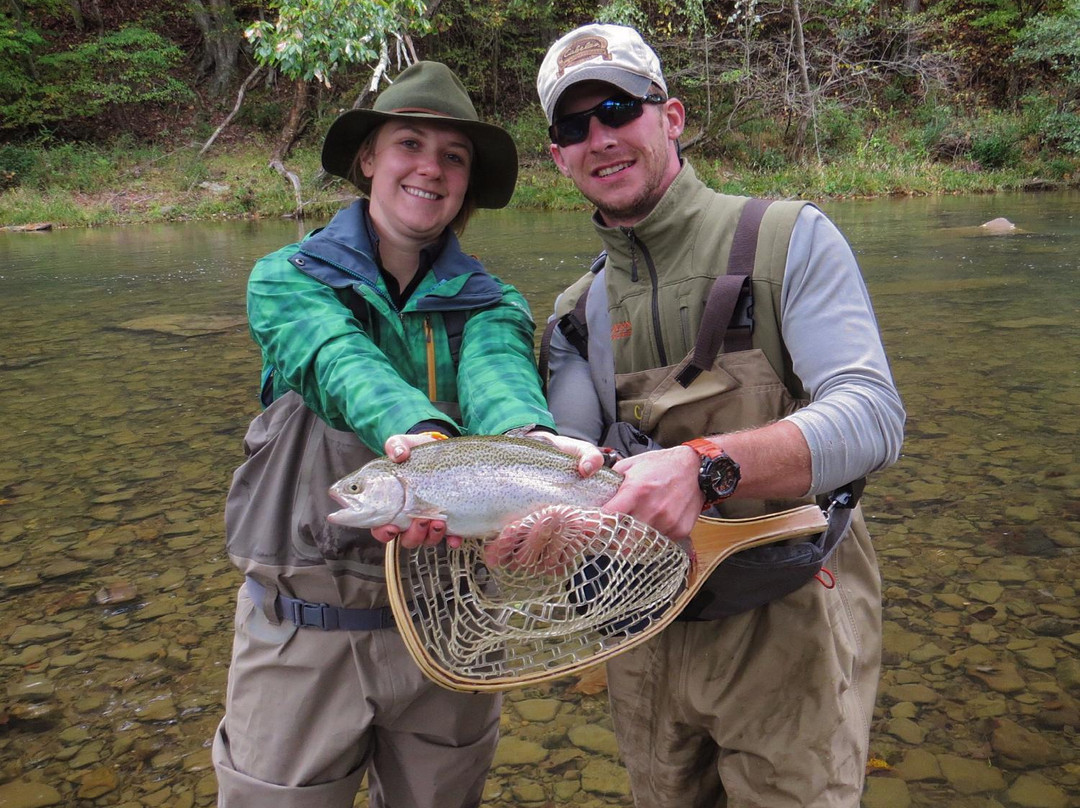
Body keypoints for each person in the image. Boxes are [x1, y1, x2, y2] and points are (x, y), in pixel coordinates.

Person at [536, 24, 906, 808]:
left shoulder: (786, 239)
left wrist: (703, 466)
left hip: (790, 622)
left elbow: (874, 418)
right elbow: (568, 463)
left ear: (670, 117)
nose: (601, 137)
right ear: (558, 157)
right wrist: (526, 525)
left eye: (618, 109)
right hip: (640, 635)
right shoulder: (574, 314)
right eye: (574, 126)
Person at [212, 60, 599, 808]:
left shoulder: (492, 302)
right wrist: (414, 434)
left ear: (467, 182)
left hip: (453, 632)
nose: (430, 168)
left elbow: (499, 378)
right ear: (368, 158)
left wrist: (531, 440)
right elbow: (338, 360)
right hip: (302, 632)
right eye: (409, 144)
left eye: (453, 156)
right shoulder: (287, 279)